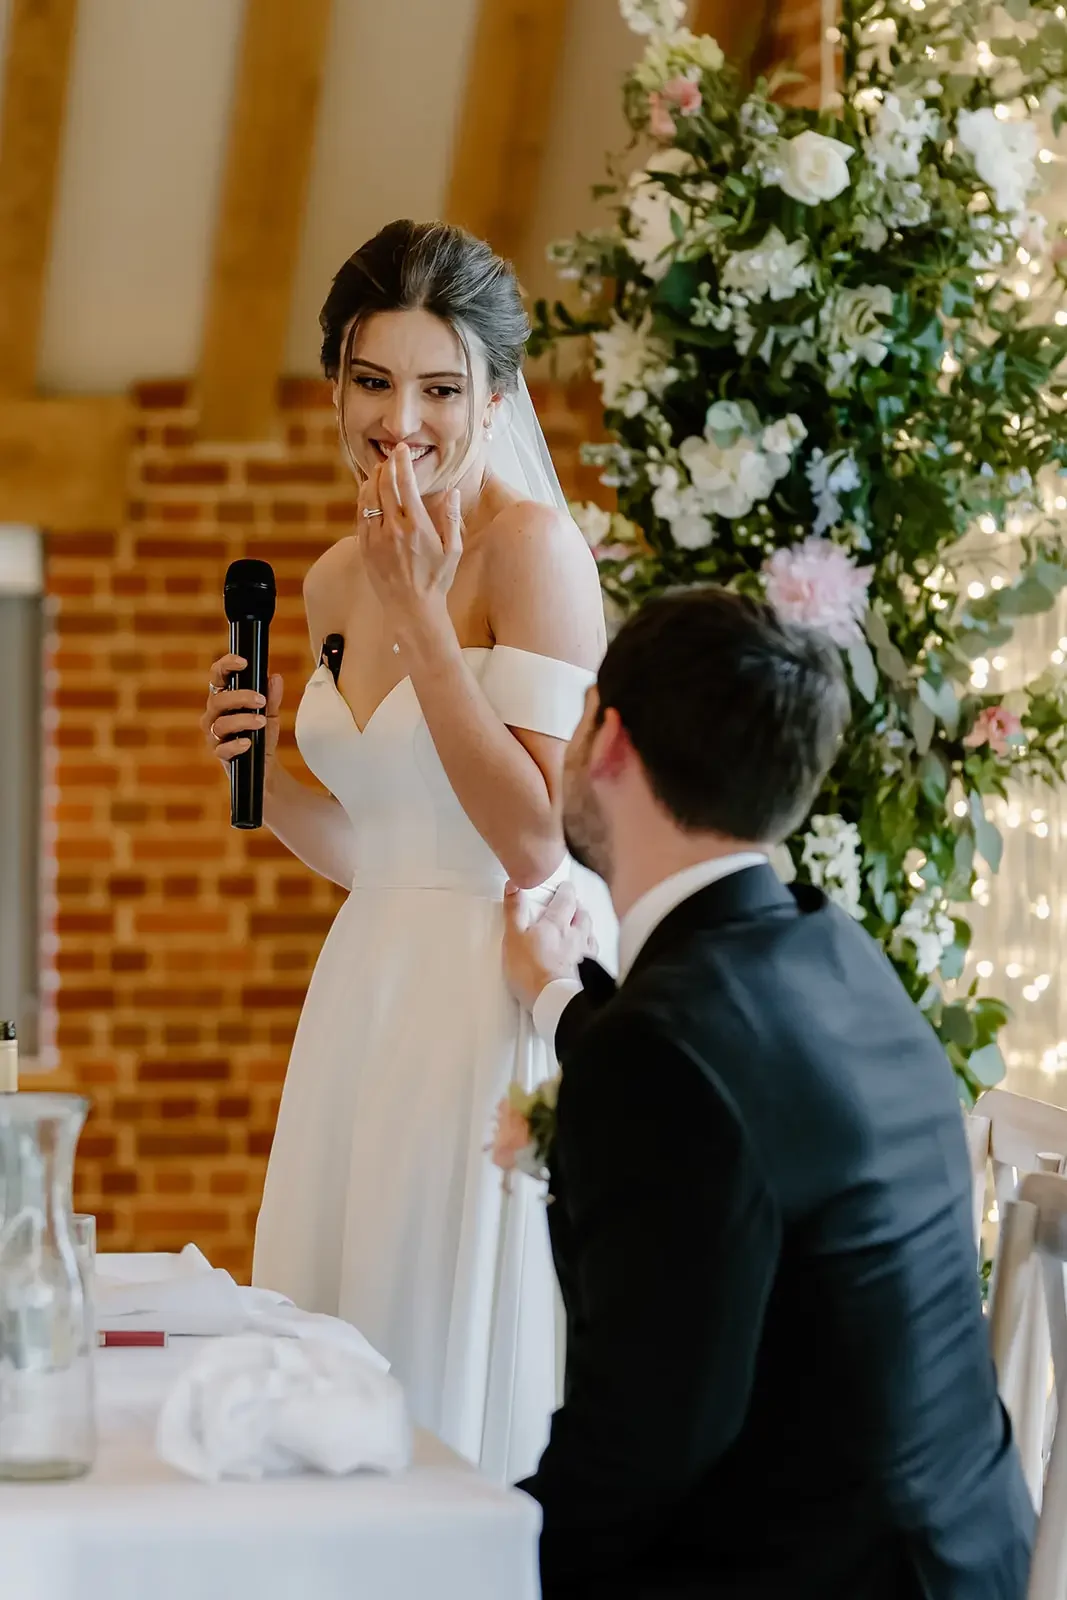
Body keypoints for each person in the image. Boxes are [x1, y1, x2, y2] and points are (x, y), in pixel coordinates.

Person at [502, 587, 1033, 1598]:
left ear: (608, 740)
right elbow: (728, 1108)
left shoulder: (660, 1053)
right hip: (965, 1558)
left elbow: (640, 1451)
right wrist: (563, 1001)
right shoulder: (835, 953)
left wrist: (451, 1565)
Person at [199, 219, 611, 1481]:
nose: (401, 421)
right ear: (335, 385)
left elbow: (532, 834)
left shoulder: (531, 553)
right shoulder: (331, 581)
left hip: (481, 999)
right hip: (360, 991)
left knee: (432, 1354)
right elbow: (377, 848)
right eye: (372, 382)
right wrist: (258, 784)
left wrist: (432, 628)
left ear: (493, 398)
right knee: (335, 1330)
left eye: (439, 388)